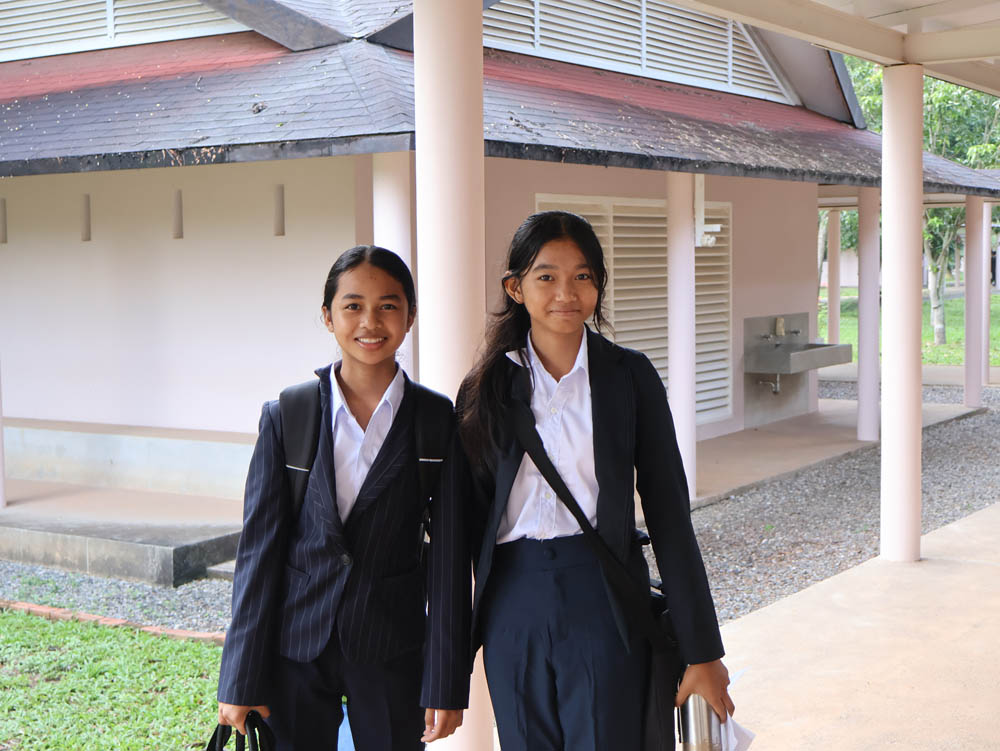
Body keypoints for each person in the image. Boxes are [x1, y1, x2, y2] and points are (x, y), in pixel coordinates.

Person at [457, 211, 734, 751]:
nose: (566, 292)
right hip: (513, 605)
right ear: (515, 288)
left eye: (582, 276)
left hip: (603, 596)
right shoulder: (484, 389)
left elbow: (670, 517)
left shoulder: (629, 377)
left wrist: (703, 650)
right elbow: (460, 528)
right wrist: (446, 668)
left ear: (599, 285)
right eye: (546, 276)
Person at [216, 246, 470, 750]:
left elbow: (448, 560)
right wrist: (240, 676)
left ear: (410, 317)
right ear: (328, 317)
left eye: (388, 306)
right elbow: (259, 552)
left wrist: (446, 681)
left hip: (391, 646)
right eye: (353, 306)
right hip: (296, 646)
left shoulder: (435, 421)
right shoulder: (289, 414)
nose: (370, 322)